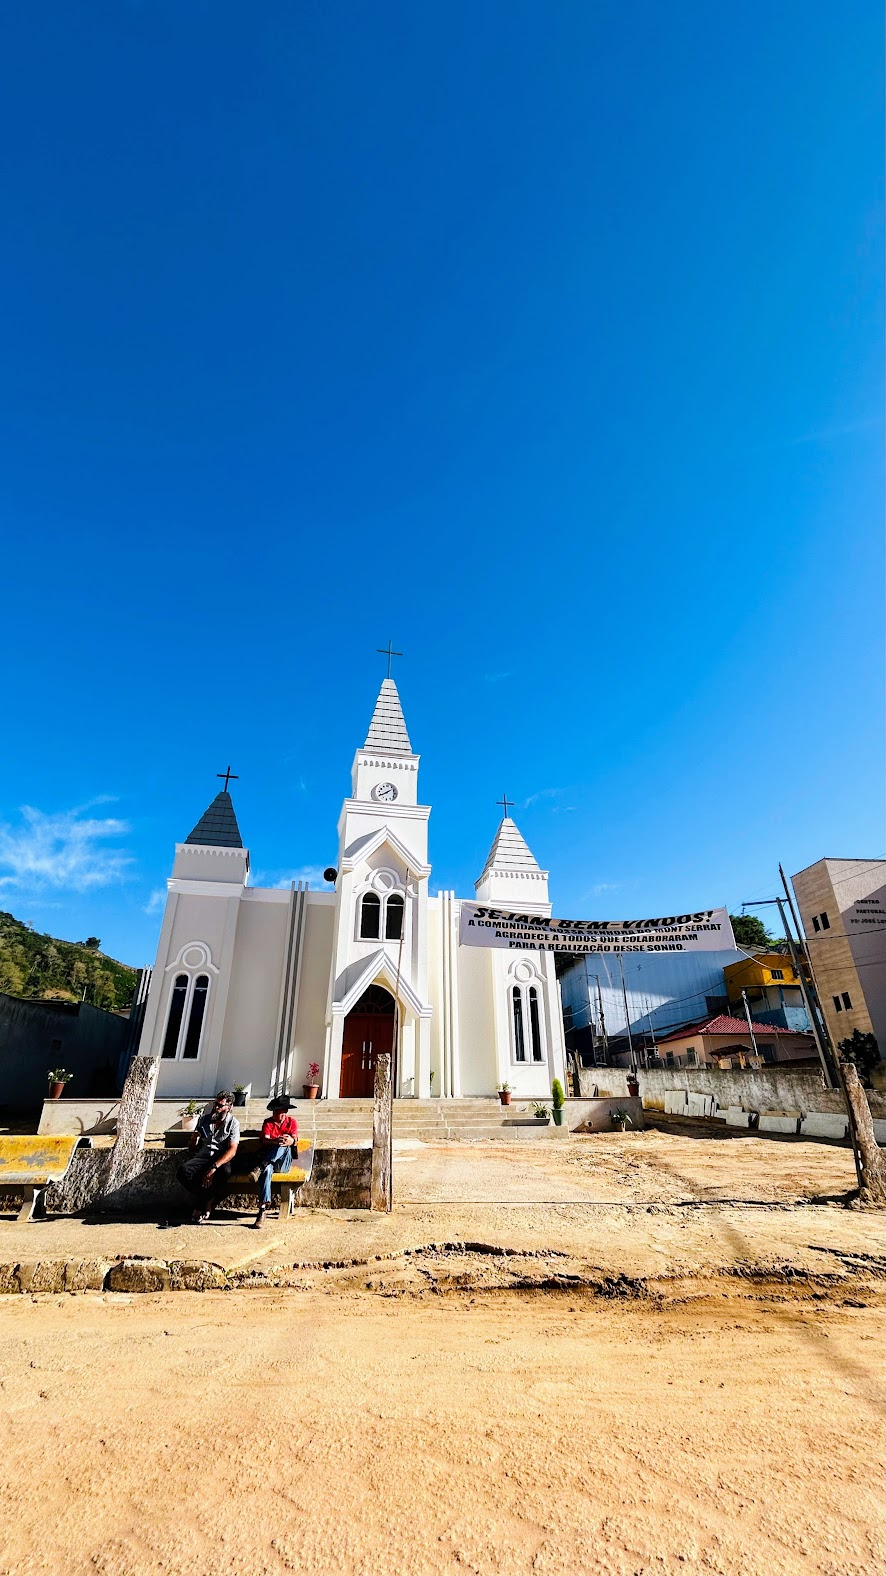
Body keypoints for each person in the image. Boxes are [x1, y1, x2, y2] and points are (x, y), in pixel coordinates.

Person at [176, 1089, 241, 1223]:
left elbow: (232, 1150)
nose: (216, 1108)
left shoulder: (233, 1123)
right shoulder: (204, 1120)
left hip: (219, 1158)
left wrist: (214, 1167)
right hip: (203, 1156)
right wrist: (194, 1139)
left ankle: (200, 1206)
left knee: (225, 1171)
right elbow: (192, 1148)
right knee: (183, 1172)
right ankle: (207, 1200)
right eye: (215, 1104)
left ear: (229, 1108)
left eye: (220, 1106)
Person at [252, 1095, 298, 1228]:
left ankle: (261, 1165)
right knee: (266, 1171)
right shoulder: (268, 1122)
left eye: (279, 1111)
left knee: (283, 1144)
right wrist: (274, 1141)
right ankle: (262, 1209)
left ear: (284, 1111)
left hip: (283, 1162)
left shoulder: (292, 1122)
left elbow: (294, 1138)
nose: (276, 1114)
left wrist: (290, 1140)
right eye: (275, 1111)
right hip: (270, 1161)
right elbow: (264, 1140)